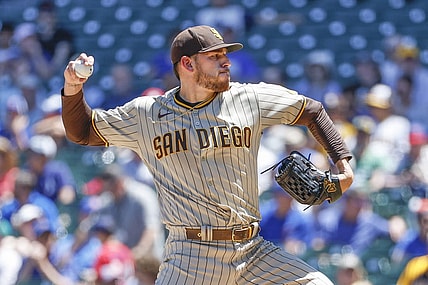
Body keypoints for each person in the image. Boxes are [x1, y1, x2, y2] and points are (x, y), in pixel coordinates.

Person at [61, 25, 354, 284]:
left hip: (252, 250)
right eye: (214, 56)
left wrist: (343, 163)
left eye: (225, 54)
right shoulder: (147, 114)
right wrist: (73, 89)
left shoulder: (248, 98)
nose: (226, 61)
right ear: (187, 64)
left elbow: (311, 110)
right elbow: (83, 131)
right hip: (190, 256)